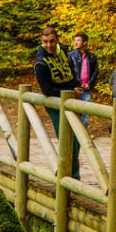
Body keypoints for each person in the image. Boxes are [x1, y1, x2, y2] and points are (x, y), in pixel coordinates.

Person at [33, 26, 81, 180]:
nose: (49, 45)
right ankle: (70, 177)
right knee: (68, 141)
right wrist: (71, 92)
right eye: (45, 42)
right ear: (41, 41)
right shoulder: (40, 63)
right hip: (55, 103)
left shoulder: (63, 52)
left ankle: (71, 175)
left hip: (71, 100)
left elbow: (69, 72)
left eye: (52, 41)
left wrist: (77, 85)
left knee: (78, 140)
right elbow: (47, 89)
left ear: (57, 40)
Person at [67, 32, 98, 126]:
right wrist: (78, 83)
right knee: (74, 111)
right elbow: (69, 72)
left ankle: (83, 134)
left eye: (78, 40)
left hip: (87, 89)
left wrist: (90, 84)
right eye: (75, 40)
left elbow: (95, 71)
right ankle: (74, 134)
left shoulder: (92, 57)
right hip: (75, 88)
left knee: (85, 112)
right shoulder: (70, 55)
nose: (75, 42)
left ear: (84, 42)